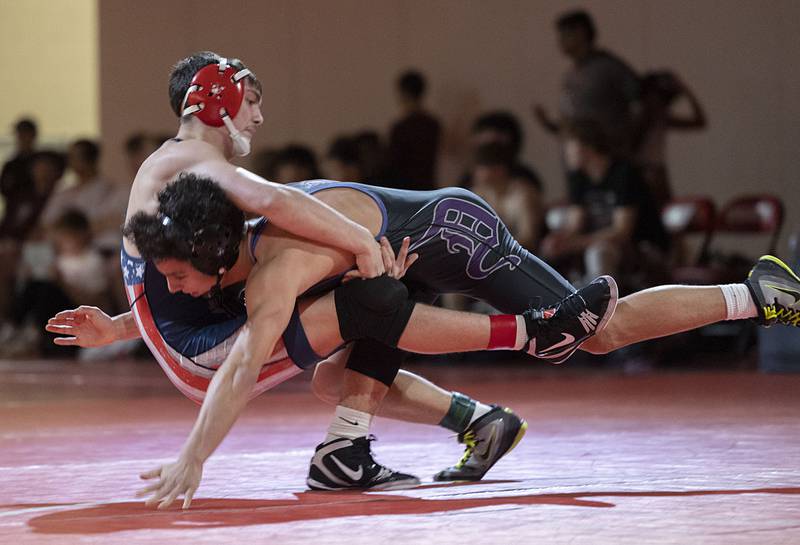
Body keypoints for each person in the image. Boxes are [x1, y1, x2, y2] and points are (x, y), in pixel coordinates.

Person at [50, 173, 800, 507]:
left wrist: (193, 458)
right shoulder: (240, 253)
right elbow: (220, 319)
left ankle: (755, 294)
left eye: (177, 275)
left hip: (456, 231)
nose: (173, 287)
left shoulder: (275, 268)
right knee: (330, 368)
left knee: (599, 335)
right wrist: (118, 326)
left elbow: (244, 360)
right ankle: (461, 424)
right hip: (412, 245)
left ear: (212, 256)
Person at [540, 119, 669, 285]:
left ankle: (602, 305)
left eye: (568, 145)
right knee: (549, 254)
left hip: (641, 246)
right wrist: (559, 240)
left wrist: (573, 244)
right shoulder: (579, 177)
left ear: (586, 145)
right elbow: (575, 223)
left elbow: (621, 231)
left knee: (598, 253)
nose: (565, 153)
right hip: (600, 244)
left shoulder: (624, 174)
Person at [533, 9, 640, 157]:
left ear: (581, 33)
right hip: (578, 161)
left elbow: (642, 102)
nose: (560, 41)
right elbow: (574, 123)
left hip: (608, 160)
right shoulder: (570, 75)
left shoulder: (609, 67)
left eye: (565, 35)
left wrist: (627, 142)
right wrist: (550, 125)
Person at [635, 71, 707, 209]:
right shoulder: (641, 118)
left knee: (666, 210)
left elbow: (699, 122)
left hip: (656, 170)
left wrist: (685, 89)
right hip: (646, 170)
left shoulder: (661, 118)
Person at [386, 70, 441, 190]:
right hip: (429, 188)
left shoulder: (401, 128)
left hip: (405, 190)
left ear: (404, 94)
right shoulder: (433, 125)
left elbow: (393, 165)